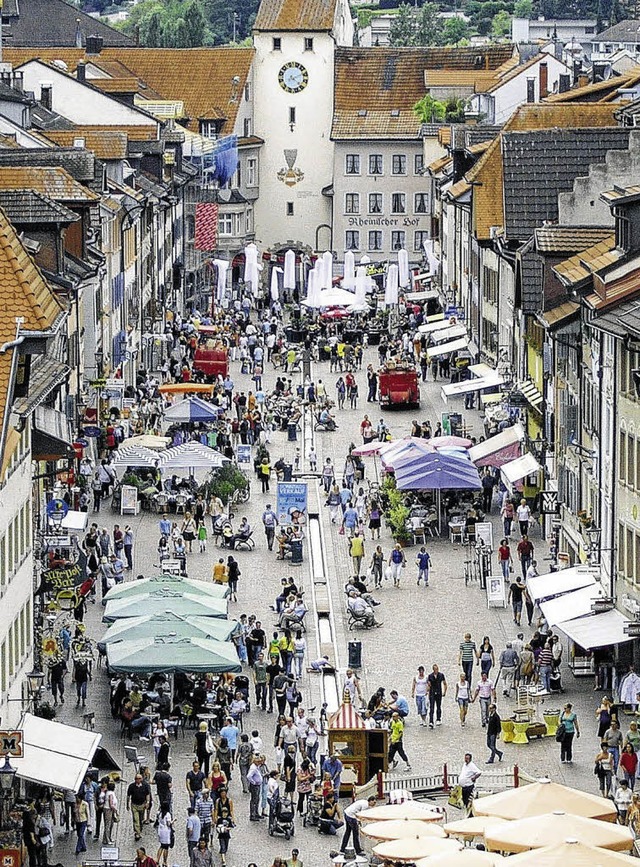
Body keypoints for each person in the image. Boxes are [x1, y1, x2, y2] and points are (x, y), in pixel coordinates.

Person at [213, 786, 234, 867]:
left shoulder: (229, 801)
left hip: (227, 819)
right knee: (221, 834)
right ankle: (223, 854)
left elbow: (231, 810)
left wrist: (232, 818)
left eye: (224, 793)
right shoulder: (218, 801)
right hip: (220, 818)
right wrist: (215, 817)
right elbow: (216, 809)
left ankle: (224, 849)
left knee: (226, 836)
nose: (223, 794)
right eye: (222, 793)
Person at [127, 772, 151, 841]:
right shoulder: (131, 786)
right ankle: (137, 833)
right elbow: (128, 795)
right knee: (136, 819)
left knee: (141, 819)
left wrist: (148, 802)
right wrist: (127, 804)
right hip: (134, 805)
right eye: (136, 778)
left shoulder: (145, 786)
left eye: (139, 778)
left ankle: (139, 829)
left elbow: (147, 794)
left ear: (142, 779)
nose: (138, 780)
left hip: (142, 805)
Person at [427, 664, 447, 728]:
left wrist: (444, 691)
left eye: (437, 669)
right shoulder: (430, 676)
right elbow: (429, 685)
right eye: (435, 669)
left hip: (439, 692)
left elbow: (444, 683)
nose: (436, 670)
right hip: (432, 693)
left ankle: (438, 719)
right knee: (432, 707)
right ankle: (431, 721)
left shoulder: (441, 675)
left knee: (438, 706)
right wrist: (427, 692)